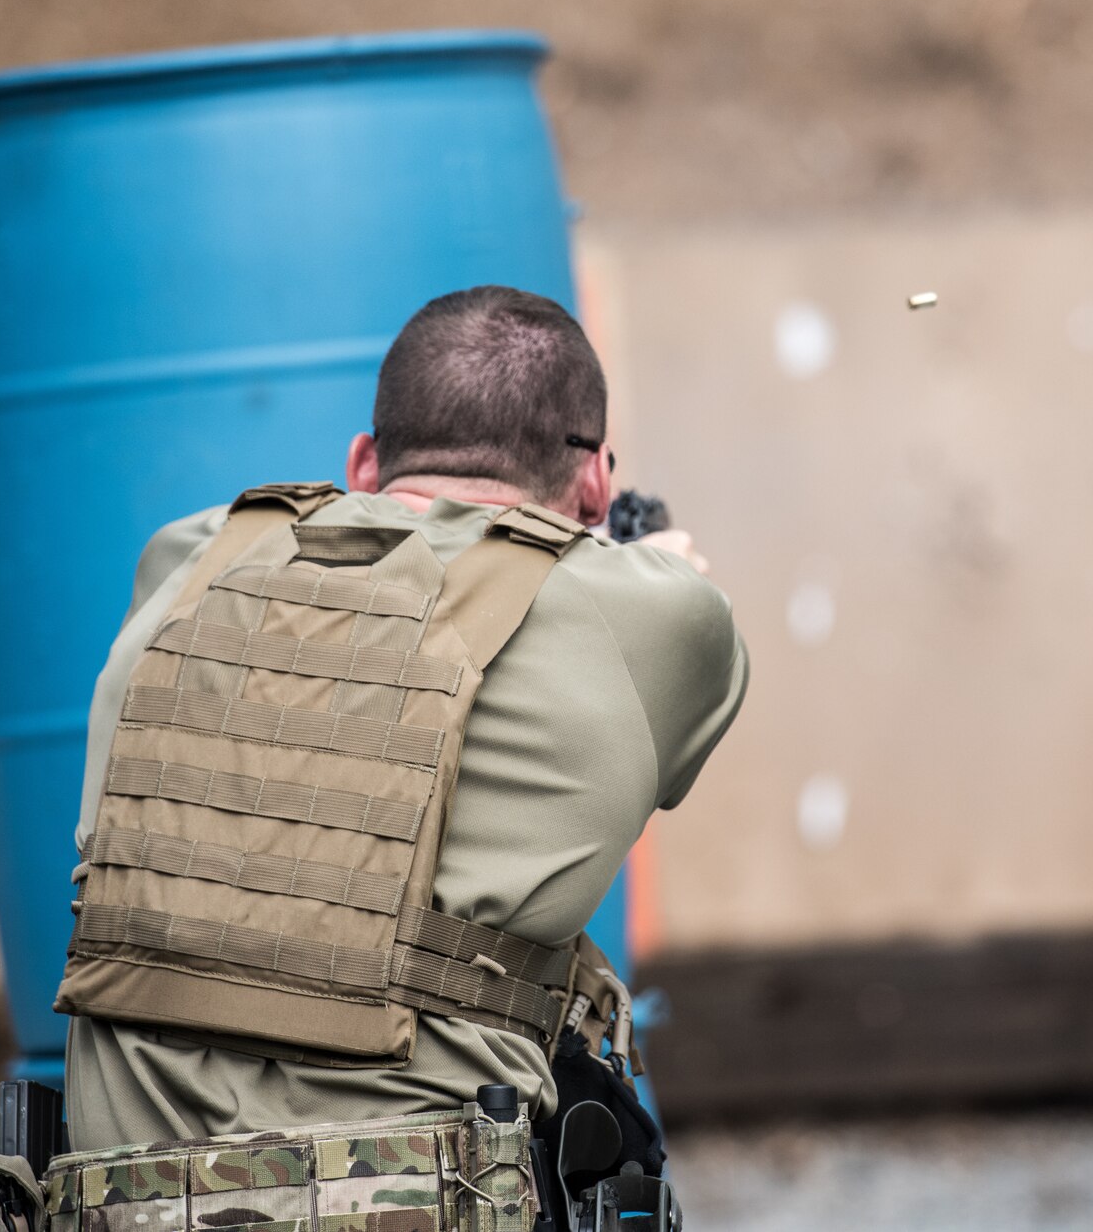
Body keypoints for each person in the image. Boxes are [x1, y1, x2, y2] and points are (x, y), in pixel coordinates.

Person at [58, 285, 748, 1154]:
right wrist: (647, 563)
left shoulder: (188, 560)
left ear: (362, 464)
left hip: (124, 1206)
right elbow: (655, 624)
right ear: (595, 482)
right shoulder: (658, 619)